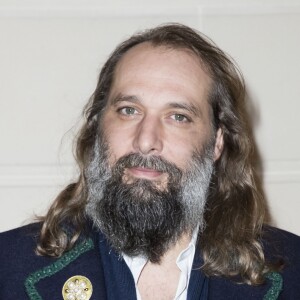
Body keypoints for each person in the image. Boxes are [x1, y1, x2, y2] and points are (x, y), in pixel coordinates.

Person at [0, 23, 299, 300]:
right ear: (97, 127)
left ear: (217, 143)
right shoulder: (8, 268)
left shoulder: (293, 271)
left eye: (178, 117)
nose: (146, 140)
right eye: (129, 110)